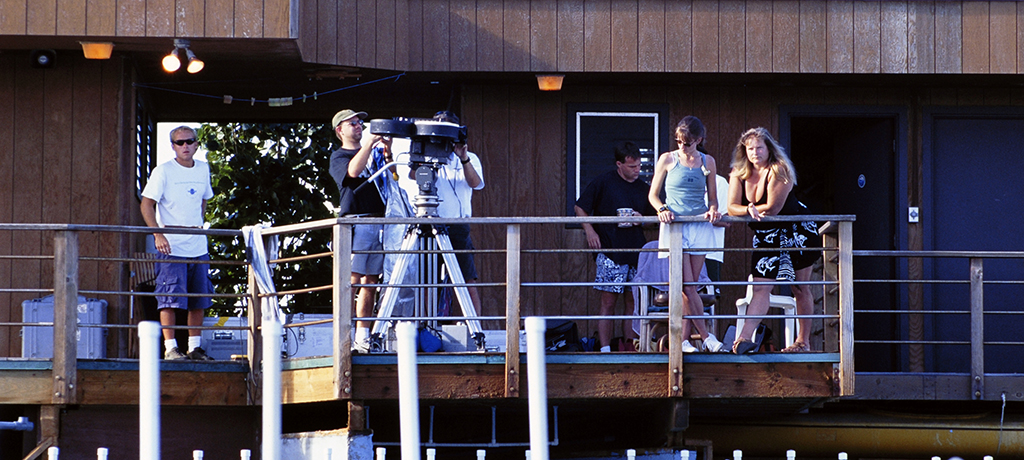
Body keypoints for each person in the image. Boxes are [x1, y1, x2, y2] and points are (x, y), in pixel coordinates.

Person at [726, 127, 821, 354]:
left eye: (759, 147)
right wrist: (749, 209)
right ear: (744, 151)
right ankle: (744, 339)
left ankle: (802, 342)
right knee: (760, 287)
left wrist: (747, 210)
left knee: (799, 286)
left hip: (797, 231)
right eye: (750, 148)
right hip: (766, 234)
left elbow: (773, 208)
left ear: (769, 148)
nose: (755, 152)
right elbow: (731, 207)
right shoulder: (738, 172)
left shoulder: (780, 169)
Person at [394, 110, 485, 318]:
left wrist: (463, 158)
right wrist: (424, 156)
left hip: (458, 226)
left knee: (466, 279)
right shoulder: (427, 155)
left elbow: (476, 183)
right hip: (430, 223)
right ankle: (428, 325)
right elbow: (414, 177)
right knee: (429, 279)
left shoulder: (470, 158)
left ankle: (474, 325)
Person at [647, 116, 725, 353]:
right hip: (675, 226)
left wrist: (713, 209)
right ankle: (706, 337)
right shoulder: (667, 159)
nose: (682, 146)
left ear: (698, 140)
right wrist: (662, 209)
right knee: (687, 284)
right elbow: (653, 195)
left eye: (688, 142)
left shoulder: (707, 161)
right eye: (679, 141)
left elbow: (712, 198)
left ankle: (683, 341)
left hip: (699, 225)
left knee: (690, 287)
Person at [141, 126, 216, 360]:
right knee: (169, 297)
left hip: (197, 242)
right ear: (172, 146)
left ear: (196, 144)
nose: (185, 146)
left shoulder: (203, 168)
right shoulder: (163, 171)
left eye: (189, 141)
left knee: (199, 298)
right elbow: (146, 204)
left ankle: (194, 347)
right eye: (179, 142)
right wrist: (158, 234)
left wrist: (199, 225)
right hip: (171, 243)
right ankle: (171, 347)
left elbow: (205, 200)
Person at [575, 141, 655, 352]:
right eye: (632, 166)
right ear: (619, 164)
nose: (637, 170)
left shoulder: (644, 188)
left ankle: (629, 346)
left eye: (639, 166)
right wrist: (590, 231)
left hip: (636, 252)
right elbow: (579, 207)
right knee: (608, 302)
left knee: (633, 302)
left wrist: (642, 219)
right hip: (610, 250)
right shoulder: (603, 182)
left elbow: (657, 216)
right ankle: (604, 349)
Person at [328, 109, 392, 353]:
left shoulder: (373, 152)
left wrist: (387, 151)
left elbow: (392, 177)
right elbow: (353, 172)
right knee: (351, 281)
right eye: (352, 123)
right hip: (356, 221)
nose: (358, 126)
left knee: (371, 282)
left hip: (379, 221)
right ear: (339, 130)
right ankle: (343, 337)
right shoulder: (338, 156)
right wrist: (368, 145)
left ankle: (363, 338)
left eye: (360, 122)